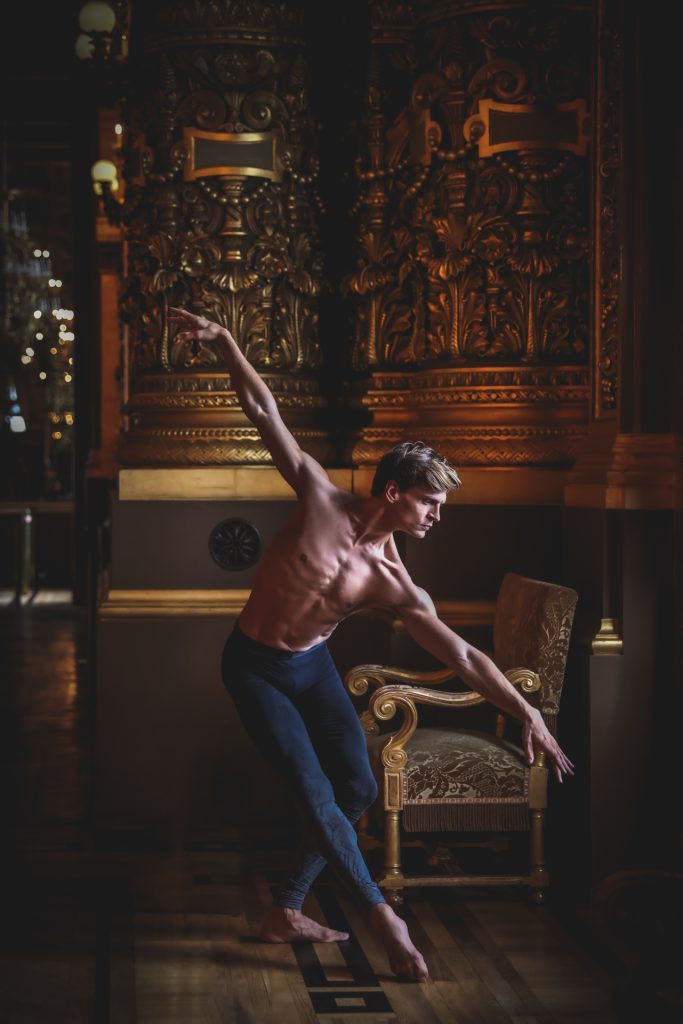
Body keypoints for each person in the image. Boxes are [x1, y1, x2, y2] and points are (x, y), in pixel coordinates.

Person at [168, 307, 575, 983]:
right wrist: (226, 342)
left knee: (353, 784)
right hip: (254, 667)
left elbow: (466, 658)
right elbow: (261, 408)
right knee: (312, 789)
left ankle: (286, 908)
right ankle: (383, 916)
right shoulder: (320, 500)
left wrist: (526, 711)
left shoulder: (396, 585)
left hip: (311, 667)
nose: (436, 516)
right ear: (392, 493)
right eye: (426, 503)